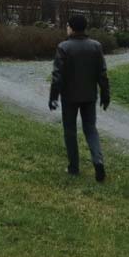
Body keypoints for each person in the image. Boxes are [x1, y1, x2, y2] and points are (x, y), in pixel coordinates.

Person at [49, 14, 110, 182]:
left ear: (72, 28)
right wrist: (105, 94)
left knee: (70, 131)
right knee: (91, 129)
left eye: (67, 26)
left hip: (69, 96)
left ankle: (74, 166)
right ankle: (98, 161)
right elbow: (102, 74)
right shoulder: (96, 47)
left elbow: (57, 75)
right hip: (89, 95)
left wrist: (53, 97)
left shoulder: (64, 47)